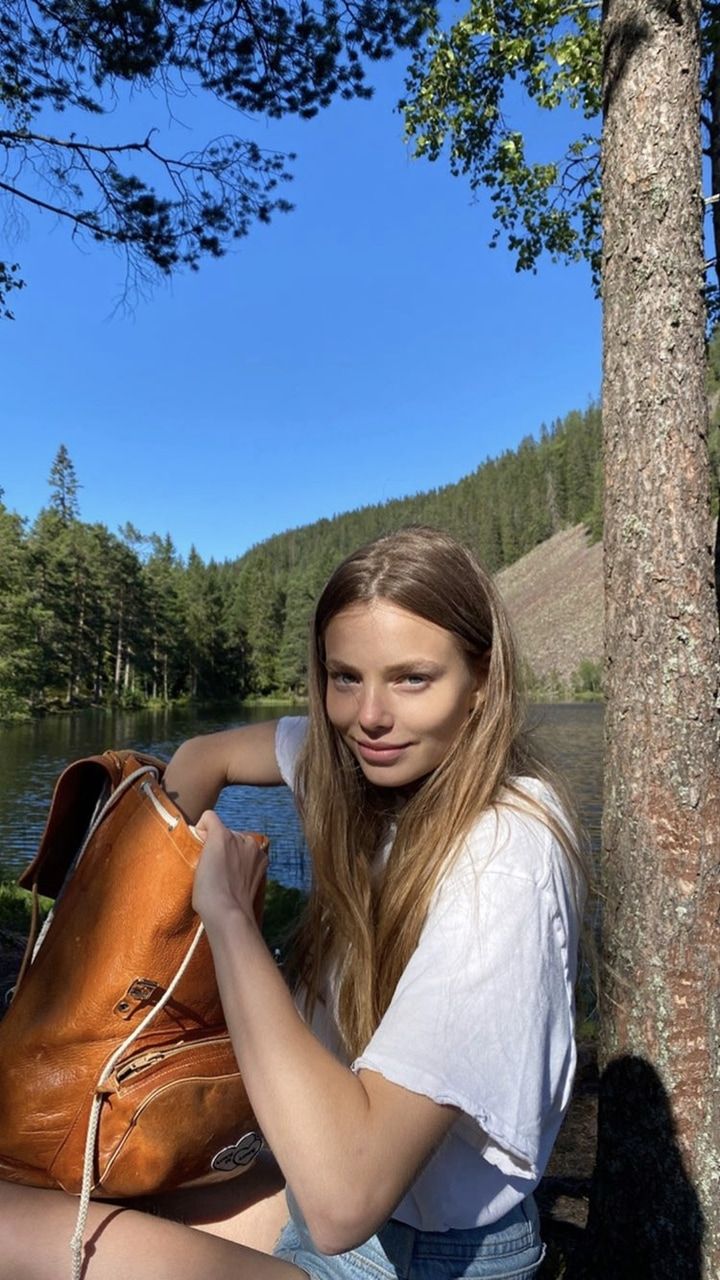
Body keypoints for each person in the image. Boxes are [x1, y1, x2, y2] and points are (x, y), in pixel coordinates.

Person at [0, 526, 588, 1280]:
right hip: (323, 1201)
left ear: (482, 680)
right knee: (43, 1178)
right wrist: (140, 933)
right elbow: (204, 756)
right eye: (345, 678)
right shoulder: (364, 762)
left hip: (423, 1253)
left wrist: (231, 920)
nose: (369, 716)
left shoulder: (506, 857)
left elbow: (346, 1201)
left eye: (413, 678)